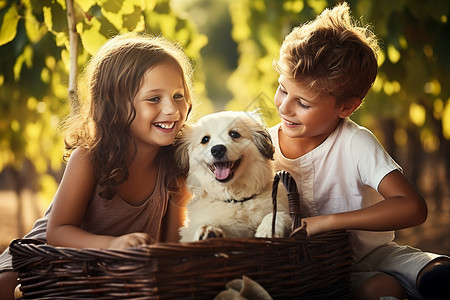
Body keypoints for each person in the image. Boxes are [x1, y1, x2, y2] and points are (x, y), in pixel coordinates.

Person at [270, 2, 450, 299]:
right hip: (306, 270)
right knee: (379, 288)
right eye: (283, 89)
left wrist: (329, 222)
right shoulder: (263, 147)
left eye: (303, 103)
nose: (285, 107)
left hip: (375, 255)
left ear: (346, 107)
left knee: (439, 273)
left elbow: (413, 207)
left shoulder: (354, 142)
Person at [0, 32, 194, 300]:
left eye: (178, 95)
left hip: (101, 274)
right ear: (116, 106)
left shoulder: (174, 167)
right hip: (41, 260)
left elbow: (171, 245)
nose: (172, 109)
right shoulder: (90, 158)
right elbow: (58, 232)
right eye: (154, 99)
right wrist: (113, 246)